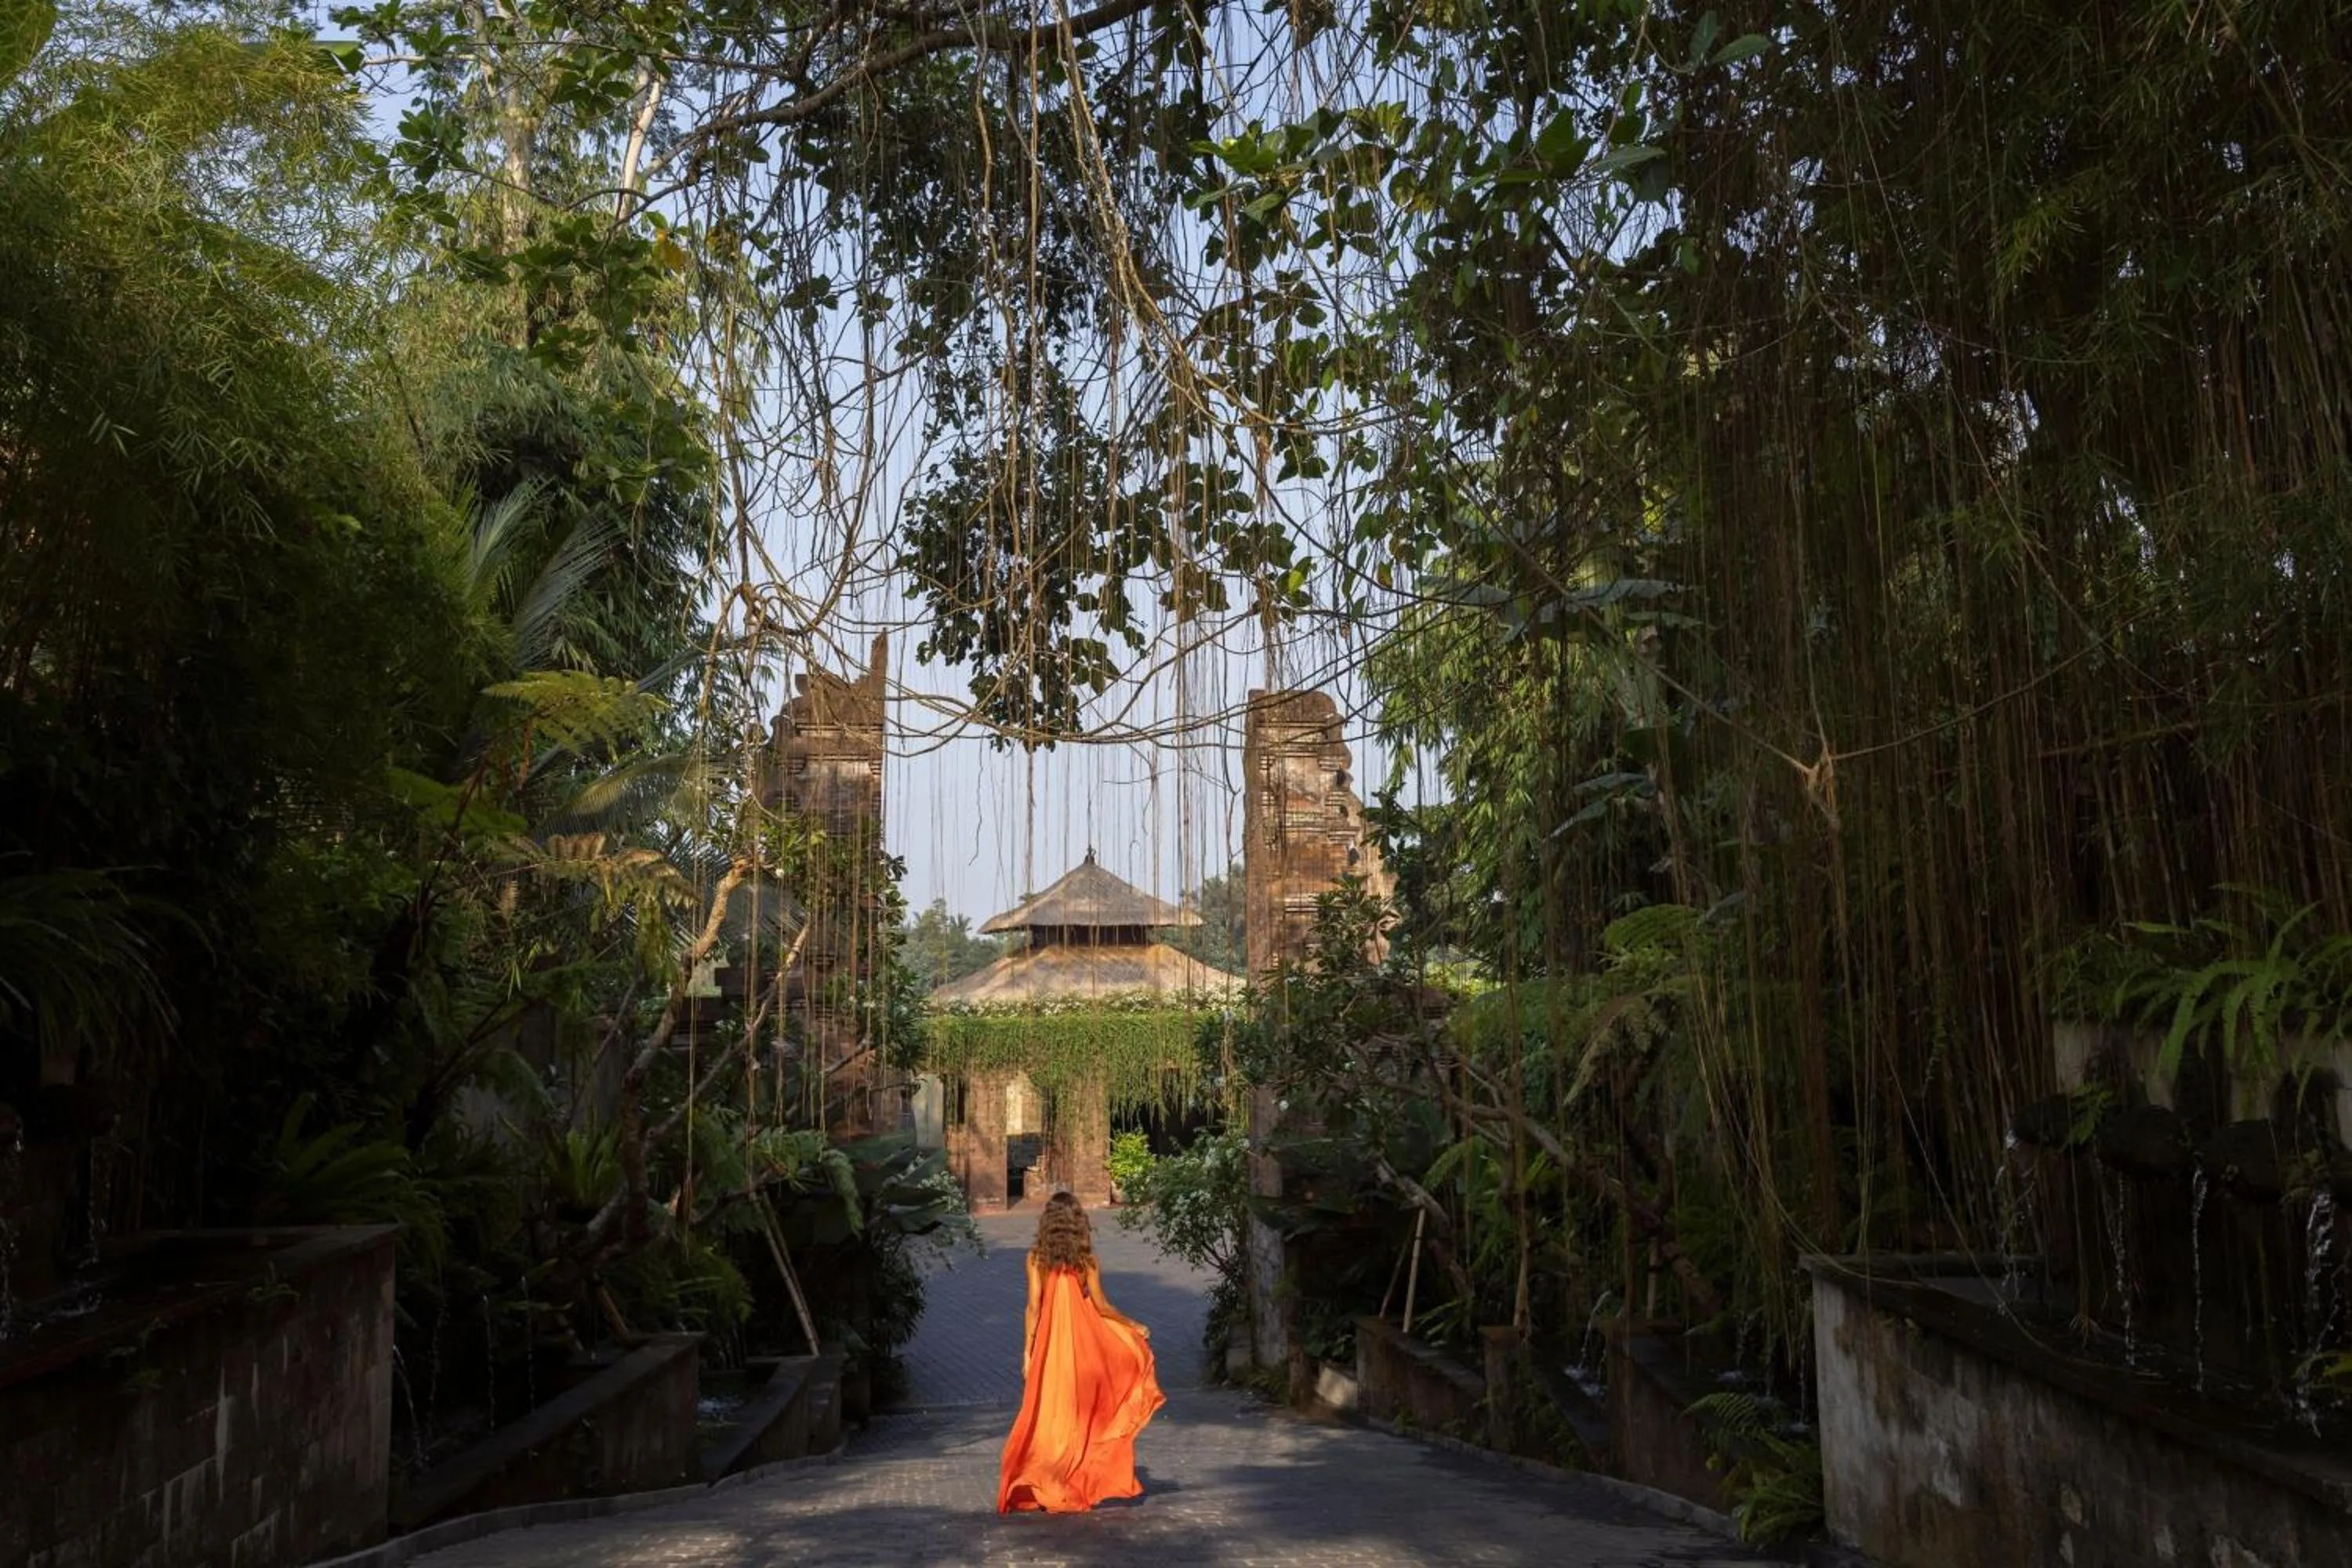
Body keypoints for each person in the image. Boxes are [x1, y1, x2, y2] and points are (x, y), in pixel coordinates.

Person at [996, 1189, 1166, 1513]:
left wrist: (1028, 1352)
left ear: (1047, 1222)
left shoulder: (1036, 1258)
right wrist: (1133, 1325)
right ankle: (1075, 1479)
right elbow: (1102, 1306)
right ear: (1078, 1223)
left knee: (1049, 1414)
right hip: (1084, 1343)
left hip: (1049, 1347)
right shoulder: (1087, 1260)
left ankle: (1047, 1479)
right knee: (1081, 1412)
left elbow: (1033, 1308)